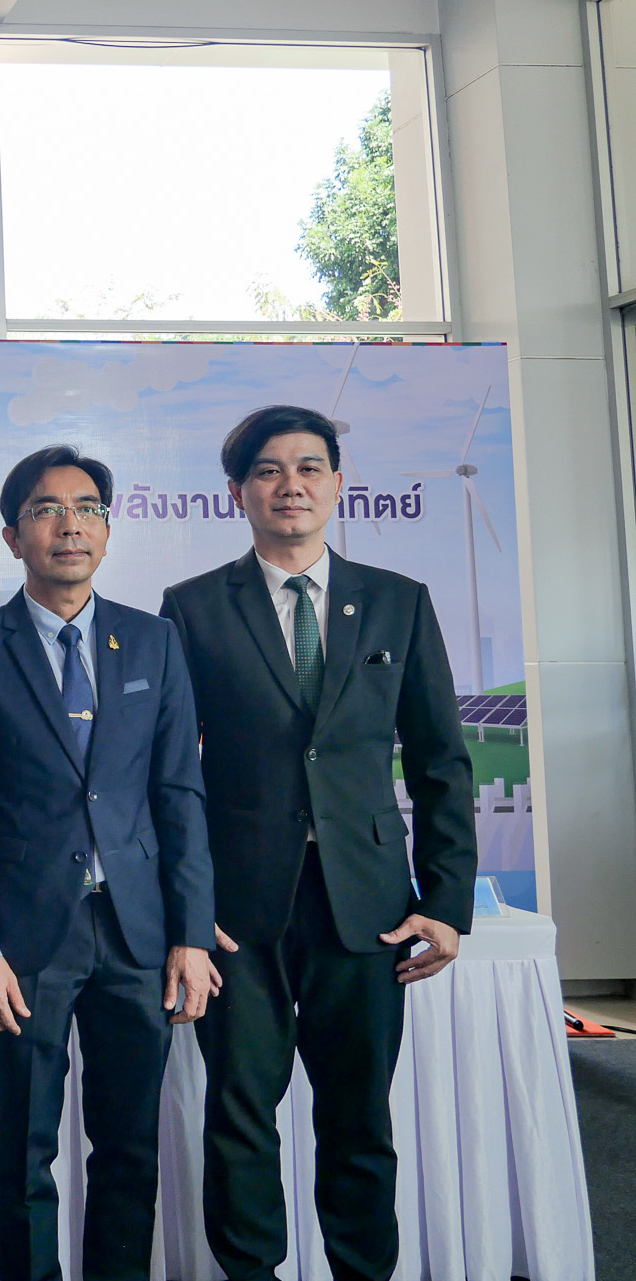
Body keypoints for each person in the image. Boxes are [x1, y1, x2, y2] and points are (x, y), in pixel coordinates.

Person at [160, 404, 478, 1281]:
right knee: (238, 1118)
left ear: (337, 484)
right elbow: (170, 776)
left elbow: (442, 763)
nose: (289, 485)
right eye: (268, 470)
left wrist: (446, 903)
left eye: (308, 468)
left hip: (368, 905)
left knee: (359, 1119)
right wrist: (187, 908)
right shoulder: (191, 608)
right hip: (237, 914)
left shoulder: (398, 602)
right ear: (237, 492)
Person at [0, 445, 217, 1281]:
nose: (71, 525)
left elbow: (179, 792)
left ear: (107, 528)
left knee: (130, 1146)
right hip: (28, 939)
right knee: (24, 1146)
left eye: (88, 508)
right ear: (11, 536)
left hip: (138, 934)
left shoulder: (155, 641)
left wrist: (192, 933)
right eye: (47, 510)